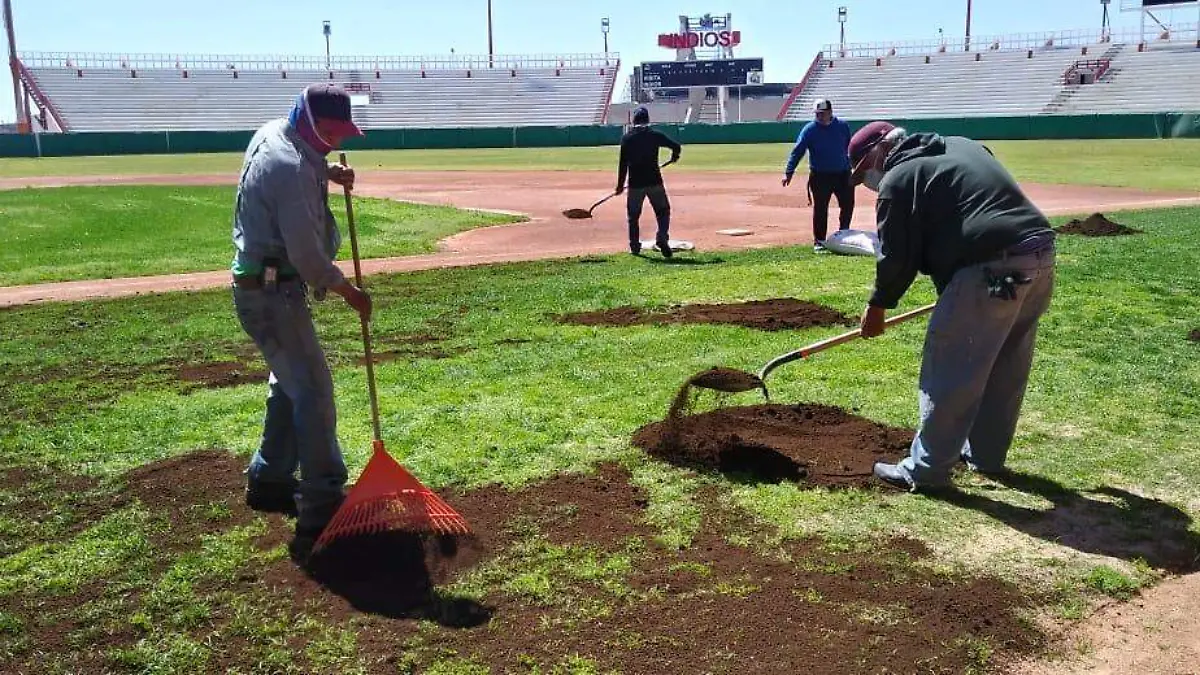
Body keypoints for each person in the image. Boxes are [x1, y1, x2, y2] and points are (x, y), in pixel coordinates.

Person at [848, 121, 1057, 492]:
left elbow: (897, 258)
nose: (868, 181)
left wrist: (878, 306)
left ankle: (926, 470)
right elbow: (968, 210)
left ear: (880, 151)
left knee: (952, 364)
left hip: (992, 267)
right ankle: (987, 456)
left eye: (864, 171)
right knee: (1005, 362)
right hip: (1038, 258)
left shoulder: (898, 180)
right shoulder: (962, 145)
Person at [232, 83, 371, 561]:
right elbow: (310, 260)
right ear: (309, 122)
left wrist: (326, 171)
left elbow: (291, 174)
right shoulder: (289, 166)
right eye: (330, 133)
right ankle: (324, 504)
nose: (336, 141)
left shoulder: (278, 136)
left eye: (341, 134)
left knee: (288, 382)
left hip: (261, 288)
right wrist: (350, 293)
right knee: (312, 390)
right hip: (274, 293)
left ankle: (270, 478)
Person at [782, 99, 855, 253]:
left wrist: (854, 167)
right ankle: (819, 241)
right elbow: (798, 151)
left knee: (847, 205)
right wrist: (789, 172)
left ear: (830, 112)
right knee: (821, 209)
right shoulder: (810, 129)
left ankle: (844, 235)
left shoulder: (842, 126)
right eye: (817, 114)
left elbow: (850, 147)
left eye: (823, 114)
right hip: (820, 176)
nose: (820, 117)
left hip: (843, 174)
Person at [616, 106, 682, 258]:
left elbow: (623, 165)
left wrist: (620, 185)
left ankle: (634, 246)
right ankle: (662, 237)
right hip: (654, 181)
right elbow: (676, 146)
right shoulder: (654, 135)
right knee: (663, 211)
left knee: (633, 217)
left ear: (633, 121)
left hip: (635, 184)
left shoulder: (627, 138)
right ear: (648, 120)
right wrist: (674, 157)